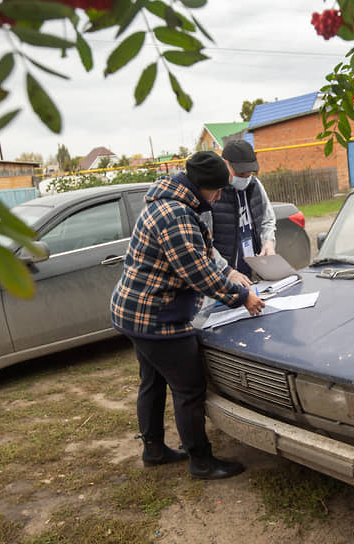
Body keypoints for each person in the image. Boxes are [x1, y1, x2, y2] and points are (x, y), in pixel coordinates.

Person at [110, 151, 265, 479]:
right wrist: (243, 296)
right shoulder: (175, 215)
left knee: (151, 381)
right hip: (156, 316)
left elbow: (201, 253)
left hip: (134, 312)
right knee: (189, 388)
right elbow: (198, 274)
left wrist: (229, 272)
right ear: (201, 186)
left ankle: (154, 450)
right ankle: (202, 462)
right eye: (217, 190)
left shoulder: (170, 202)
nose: (220, 196)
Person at [207, 139, 277, 287]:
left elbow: (268, 219)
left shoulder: (255, 185)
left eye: (249, 172)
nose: (245, 177)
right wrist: (226, 271)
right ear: (225, 163)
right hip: (222, 280)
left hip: (249, 275)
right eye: (240, 173)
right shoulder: (212, 194)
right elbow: (204, 243)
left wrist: (268, 241)